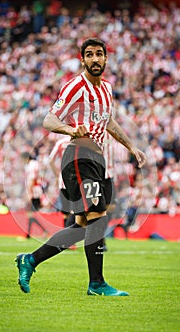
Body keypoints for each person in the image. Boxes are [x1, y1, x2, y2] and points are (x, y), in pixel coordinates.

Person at [15, 38, 146, 296]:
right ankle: (97, 284)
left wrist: (131, 147)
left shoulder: (106, 89)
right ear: (82, 59)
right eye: (89, 55)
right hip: (78, 156)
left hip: (97, 160)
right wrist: (71, 129)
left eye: (99, 54)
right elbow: (49, 119)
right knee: (98, 216)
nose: (95, 59)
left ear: (106, 59)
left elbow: (109, 123)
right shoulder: (76, 86)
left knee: (83, 226)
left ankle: (29, 260)